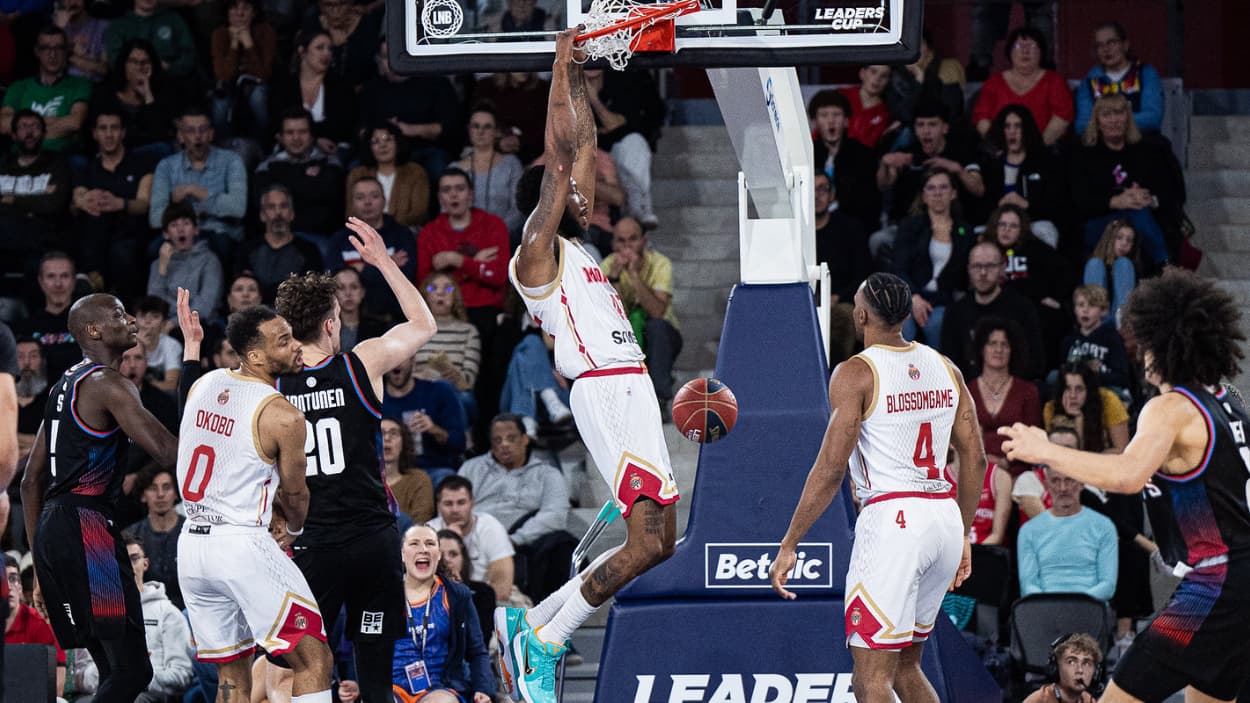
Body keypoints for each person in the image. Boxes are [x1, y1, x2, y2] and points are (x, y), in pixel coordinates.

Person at [499, 32, 681, 703]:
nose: (587, 197)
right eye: (572, 198)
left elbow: (583, 149)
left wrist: (577, 71)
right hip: (604, 390)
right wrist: (557, 69)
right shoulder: (534, 255)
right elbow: (561, 158)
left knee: (660, 542)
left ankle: (535, 620)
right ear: (541, 209)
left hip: (627, 384)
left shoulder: (580, 247)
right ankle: (544, 644)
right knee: (643, 540)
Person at [1000, 269, 1250, 702]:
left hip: (1215, 585)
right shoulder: (1228, 399)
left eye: (1144, 342)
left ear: (1162, 343)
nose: (1139, 352)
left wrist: (1045, 450)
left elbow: (1128, 476)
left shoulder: (1168, 408)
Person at [769, 272, 983, 702]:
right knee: (906, 667)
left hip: (893, 521)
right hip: (941, 515)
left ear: (861, 314)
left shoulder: (856, 374)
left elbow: (830, 469)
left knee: (870, 682)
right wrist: (962, 532)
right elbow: (975, 458)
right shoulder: (947, 368)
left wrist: (791, 541)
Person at [273, 217, 438, 703]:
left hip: (313, 549)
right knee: (374, 673)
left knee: (305, 670)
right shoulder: (360, 363)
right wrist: (383, 260)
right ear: (331, 323)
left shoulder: (270, 388)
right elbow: (424, 324)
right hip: (371, 543)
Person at [21, 293, 180, 702]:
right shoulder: (108, 383)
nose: (130, 320)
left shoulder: (62, 386)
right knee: (132, 670)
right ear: (93, 331)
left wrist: (41, 565)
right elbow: (168, 452)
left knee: (113, 668)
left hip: (55, 532)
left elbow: (30, 482)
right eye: (118, 314)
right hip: (87, 529)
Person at [175, 304, 334, 702]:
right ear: (257, 356)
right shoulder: (284, 416)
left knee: (233, 671)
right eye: (284, 341)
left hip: (192, 550)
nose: (297, 345)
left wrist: (191, 350)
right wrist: (293, 528)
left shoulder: (205, 383)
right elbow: (296, 494)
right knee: (313, 658)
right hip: (240, 545)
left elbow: (193, 419)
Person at [459, 414, 574, 603]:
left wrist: (514, 539)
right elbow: (455, 504)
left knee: (561, 545)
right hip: (479, 537)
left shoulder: (547, 473)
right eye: (497, 440)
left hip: (525, 542)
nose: (504, 444)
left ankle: (552, 612)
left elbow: (555, 515)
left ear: (525, 439)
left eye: (511, 438)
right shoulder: (471, 468)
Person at [1070, 94, 1185, 269]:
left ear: (1128, 118)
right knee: (1136, 213)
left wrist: (1150, 200)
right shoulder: (1085, 155)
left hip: (1140, 220)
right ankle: (1165, 264)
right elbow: (1080, 200)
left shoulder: (1148, 152)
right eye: (1106, 115)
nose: (1114, 120)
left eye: (1119, 113)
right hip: (1100, 223)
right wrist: (1115, 201)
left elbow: (1169, 191)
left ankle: (1164, 265)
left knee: (1139, 212)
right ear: (1097, 122)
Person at [392, 524, 494, 703]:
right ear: (402, 553)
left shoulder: (457, 595)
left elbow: (477, 651)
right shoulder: (383, 596)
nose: (423, 549)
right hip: (391, 688)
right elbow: (365, 646)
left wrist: (483, 689)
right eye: (414, 543)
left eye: (430, 544)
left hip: (440, 688)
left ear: (438, 554)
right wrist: (355, 682)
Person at [416, 166, 511, 344]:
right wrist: (474, 264)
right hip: (443, 310)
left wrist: (456, 261)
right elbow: (425, 284)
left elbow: (499, 276)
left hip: (484, 309)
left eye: (460, 188)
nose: (453, 195)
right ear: (439, 198)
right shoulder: (429, 232)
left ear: (471, 194)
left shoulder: (493, 225)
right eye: (446, 190)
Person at [600, 216, 683, 412]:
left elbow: (657, 311)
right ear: (613, 244)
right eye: (621, 240)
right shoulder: (607, 266)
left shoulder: (660, 263)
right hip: (625, 335)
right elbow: (614, 317)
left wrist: (634, 275)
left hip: (663, 334)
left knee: (656, 327)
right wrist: (615, 278)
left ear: (644, 241)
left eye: (633, 238)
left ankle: (659, 398)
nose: (627, 245)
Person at [73, 108, 156, 301]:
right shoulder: (87, 167)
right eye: (103, 128)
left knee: (122, 252)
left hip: (130, 231)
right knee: (91, 222)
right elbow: (78, 198)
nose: (109, 134)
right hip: (97, 234)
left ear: (123, 132)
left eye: (114, 128)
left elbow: (144, 203)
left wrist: (119, 203)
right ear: (94, 133)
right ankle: (92, 282)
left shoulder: (142, 163)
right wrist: (87, 200)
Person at [148, 105, 249, 264]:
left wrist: (197, 192)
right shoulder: (166, 166)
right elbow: (155, 218)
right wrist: (173, 206)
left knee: (222, 246)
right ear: (181, 136)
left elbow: (238, 208)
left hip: (220, 232)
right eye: (190, 131)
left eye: (202, 130)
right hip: (179, 234)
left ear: (211, 134)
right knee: (154, 250)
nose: (197, 136)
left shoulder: (231, 161)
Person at [891, 167, 975, 350]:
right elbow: (899, 267)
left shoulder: (965, 232)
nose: (937, 193)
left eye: (943, 187)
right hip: (910, 295)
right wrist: (913, 297)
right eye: (931, 188)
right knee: (904, 328)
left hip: (946, 300)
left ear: (953, 193)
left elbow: (964, 278)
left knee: (938, 323)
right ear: (923, 195)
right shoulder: (910, 227)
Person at [939, 240, 1044, 380]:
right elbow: (949, 364)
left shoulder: (1022, 308)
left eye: (990, 266)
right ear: (969, 269)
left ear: (1002, 268)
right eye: (977, 266)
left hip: (1012, 388)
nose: (983, 272)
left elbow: (1035, 360)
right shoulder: (955, 312)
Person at [982, 203, 1070, 371]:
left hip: (1029, 307)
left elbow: (1064, 273)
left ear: (1022, 229)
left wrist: (1053, 298)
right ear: (995, 226)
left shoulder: (1034, 249)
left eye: (1013, 226)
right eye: (1002, 225)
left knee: (1051, 316)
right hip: (993, 306)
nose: (1007, 230)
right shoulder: (984, 250)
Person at [1017, 466, 1118, 600]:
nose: (1063, 488)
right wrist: (1052, 605)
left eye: (1069, 480)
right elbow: (1028, 585)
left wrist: (1074, 604)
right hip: (1044, 609)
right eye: (1055, 481)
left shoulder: (1104, 526)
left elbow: (1108, 585)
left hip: (1089, 608)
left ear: (1082, 483)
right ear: (1047, 485)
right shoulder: (1029, 530)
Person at [325, 177, 419, 319]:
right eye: (360, 197)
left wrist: (360, 268)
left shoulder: (402, 235)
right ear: (352, 203)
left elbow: (406, 277)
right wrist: (387, 265)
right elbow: (333, 280)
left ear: (384, 200)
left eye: (374, 196)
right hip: (348, 318)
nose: (367, 202)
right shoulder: (339, 240)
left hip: (394, 315)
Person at [978, 105, 1067, 249]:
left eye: (1018, 126)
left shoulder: (1045, 163)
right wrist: (998, 208)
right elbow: (982, 207)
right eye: (1007, 126)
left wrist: (1027, 205)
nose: (1012, 132)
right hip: (999, 225)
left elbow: (1057, 207)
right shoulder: (992, 167)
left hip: (1033, 224)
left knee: (1046, 230)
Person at [972, 26, 1074, 146]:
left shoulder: (1054, 81)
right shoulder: (993, 83)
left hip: (1044, 151)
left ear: (1041, 52)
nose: (1025, 51)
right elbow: (982, 119)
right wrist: (1001, 148)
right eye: (1019, 46)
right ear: (1009, 51)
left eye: (1031, 46)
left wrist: (1037, 149)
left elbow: (1062, 117)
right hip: (1001, 152)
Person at [254, 107, 346, 238]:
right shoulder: (267, 166)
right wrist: (308, 182)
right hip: (279, 237)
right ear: (280, 137)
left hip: (321, 236)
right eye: (290, 132)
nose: (296, 138)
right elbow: (263, 208)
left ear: (312, 136)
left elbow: (331, 202)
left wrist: (286, 181)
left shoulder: (329, 162)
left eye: (302, 132)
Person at [812, 171, 873, 365]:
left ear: (832, 195)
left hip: (844, 300)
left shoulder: (850, 229)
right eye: (811, 190)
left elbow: (864, 273)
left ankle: (838, 377)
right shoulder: (797, 235)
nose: (816, 196)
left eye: (822, 189)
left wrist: (837, 297)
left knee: (842, 316)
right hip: (806, 303)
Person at [0, 24, 91, 152]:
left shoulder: (80, 85)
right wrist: (55, 124)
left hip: (62, 158)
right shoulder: (19, 87)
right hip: (20, 158)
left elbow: (74, 123)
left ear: (66, 51)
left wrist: (25, 129)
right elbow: (4, 124)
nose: (52, 54)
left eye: (58, 48)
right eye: (45, 48)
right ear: (37, 52)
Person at [967, 317, 1041, 476]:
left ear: (1013, 350)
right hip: (974, 473)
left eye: (1005, 345)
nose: (998, 350)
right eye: (992, 343)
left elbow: (1033, 441)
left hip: (1017, 473)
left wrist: (1005, 463)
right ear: (982, 348)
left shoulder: (1028, 392)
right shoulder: (966, 391)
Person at [381, 356, 467, 489]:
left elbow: (459, 443)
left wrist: (434, 429)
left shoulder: (438, 392)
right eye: (391, 358)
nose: (396, 364)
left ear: (413, 361)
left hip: (432, 470)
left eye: (401, 357)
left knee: (447, 480)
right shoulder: (373, 399)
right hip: (389, 473)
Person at [125, 536, 194, 702]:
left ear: (145, 563)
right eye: (121, 560)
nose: (129, 567)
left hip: (152, 696)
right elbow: (82, 672)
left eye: (134, 559)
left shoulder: (168, 613)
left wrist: (137, 680)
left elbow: (181, 674)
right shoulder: (103, 613)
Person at [268, 29, 356, 155]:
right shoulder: (284, 85)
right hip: (290, 148)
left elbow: (343, 125)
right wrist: (314, 140)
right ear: (302, 51)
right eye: (320, 48)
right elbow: (278, 123)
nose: (327, 53)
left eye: (330, 49)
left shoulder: (341, 85)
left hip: (332, 147)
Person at [806, 89, 881, 236]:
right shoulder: (806, 153)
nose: (830, 121)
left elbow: (869, 202)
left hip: (853, 226)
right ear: (815, 121)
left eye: (836, 115)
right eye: (824, 115)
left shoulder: (864, 155)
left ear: (846, 121)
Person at [429, 475, 515, 604]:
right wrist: (448, 538)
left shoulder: (489, 526)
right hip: (441, 600)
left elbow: (503, 584)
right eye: (448, 504)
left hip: (487, 598)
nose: (455, 510)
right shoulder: (428, 531)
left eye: (461, 502)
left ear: (472, 503)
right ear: (438, 506)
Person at [234, 183, 324, 302]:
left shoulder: (309, 251)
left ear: (292, 213)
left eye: (284, 206)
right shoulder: (246, 250)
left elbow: (312, 295)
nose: (278, 213)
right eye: (271, 207)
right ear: (262, 214)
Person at [87, 40, 176, 158]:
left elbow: (160, 133)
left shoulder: (160, 94)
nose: (139, 67)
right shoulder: (105, 93)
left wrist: (147, 95)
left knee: (162, 148)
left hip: (147, 154)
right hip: (114, 153)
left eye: (145, 62)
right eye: (133, 62)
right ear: (124, 65)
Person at [1075, 22, 1164, 135]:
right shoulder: (1090, 80)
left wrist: (1107, 122)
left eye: (1111, 42)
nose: (1106, 49)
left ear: (1125, 45)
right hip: (1103, 147)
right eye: (1100, 45)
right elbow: (1081, 126)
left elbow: (1153, 118)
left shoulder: (1146, 73)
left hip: (1142, 143)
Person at [414, 271, 481, 417]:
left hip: (456, 393)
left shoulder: (468, 332)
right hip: (420, 392)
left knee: (461, 398)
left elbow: (468, 382)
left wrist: (455, 377)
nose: (440, 293)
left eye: (448, 289)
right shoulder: (414, 331)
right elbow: (404, 375)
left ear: (455, 297)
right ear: (424, 296)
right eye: (432, 288)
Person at [209, 0, 277, 142]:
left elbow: (264, 74)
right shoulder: (219, 34)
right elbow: (223, 75)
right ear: (227, 12)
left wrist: (248, 44)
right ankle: (223, 149)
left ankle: (261, 146)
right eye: (234, 8)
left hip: (257, 85)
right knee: (220, 104)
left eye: (246, 8)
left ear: (254, 13)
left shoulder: (266, 31)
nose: (240, 13)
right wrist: (234, 44)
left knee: (258, 98)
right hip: (228, 86)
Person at [147, 203, 225, 323]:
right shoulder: (158, 264)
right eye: (174, 225)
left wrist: (173, 323)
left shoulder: (209, 260)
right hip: (163, 324)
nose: (180, 230)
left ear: (196, 230)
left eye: (186, 224)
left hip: (199, 325)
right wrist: (162, 268)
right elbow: (153, 305)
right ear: (166, 234)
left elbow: (205, 306)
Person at [455, 102, 525, 234]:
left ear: (497, 132)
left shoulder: (511, 164)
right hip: (464, 240)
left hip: (503, 237)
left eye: (487, 127)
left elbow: (517, 209)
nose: (480, 131)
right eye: (476, 126)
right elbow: (447, 213)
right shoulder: (455, 169)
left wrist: (495, 233)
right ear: (469, 130)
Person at [122, 465, 185, 609]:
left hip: (190, 616)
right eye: (152, 488)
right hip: (146, 615)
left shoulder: (191, 533)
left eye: (167, 487)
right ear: (143, 495)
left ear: (176, 493)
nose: (160, 494)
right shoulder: (130, 537)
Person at [346, 122, 430, 230]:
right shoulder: (357, 174)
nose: (382, 145)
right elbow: (350, 212)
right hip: (367, 231)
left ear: (398, 143)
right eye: (375, 141)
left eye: (388, 139)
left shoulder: (415, 172)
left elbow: (419, 212)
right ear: (369, 147)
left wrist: (387, 226)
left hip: (406, 230)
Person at [5, 554, 67, 696]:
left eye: (13, 579)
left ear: (20, 587)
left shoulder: (41, 623)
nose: (9, 587)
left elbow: (58, 683)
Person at [16, 251, 82, 380]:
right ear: (41, 281)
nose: (58, 284)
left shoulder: (88, 325)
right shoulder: (23, 329)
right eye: (51, 276)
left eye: (64, 276)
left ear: (74, 281)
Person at [1059, 285, 1132, 394]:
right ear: (1074, 309)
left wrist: (1093, 375)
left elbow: (1122, 377)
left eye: (1092, 305)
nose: (1085, 310)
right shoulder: (1069, 341)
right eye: (1081, 305)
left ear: (1103, 311)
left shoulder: (1112, 339)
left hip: (1103, 389)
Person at [1044, 363, 1130, 454]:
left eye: (1079, 389)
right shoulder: (1050, 408)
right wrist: (1079, 420)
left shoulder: (1108, 401)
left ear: (1089, 390)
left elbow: (1122, 451)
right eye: (1067, 388)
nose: (1073, 395)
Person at [1083, 219, 1142, 327]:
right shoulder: (1094, 265)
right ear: (1109, 239)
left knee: (1124, 264)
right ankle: (1095, 319)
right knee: (1095, 263)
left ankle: (1121, 320)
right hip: (1095, 321)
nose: (1124, 243)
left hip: (1120, 324)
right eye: (1119, 238)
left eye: (1129, 240)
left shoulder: (1133, 269)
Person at [381, 416, 436, 523]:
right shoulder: (361, 480)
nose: (387, 438)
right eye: (381, 433)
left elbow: (421, 522)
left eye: (394, 433)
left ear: (403, 443)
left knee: (403, 520)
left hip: (408, 537)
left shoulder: (418, 479)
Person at [1021, 633, 1102, 703]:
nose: (1080, 670)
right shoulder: (1039, 700)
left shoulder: (1089, 700)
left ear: (1095, 673)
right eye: (1071, 662)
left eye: (1087, 663)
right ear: (1056, 667)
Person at [838, 65, 897, 150]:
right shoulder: (841, 95)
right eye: (873, 72)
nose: (877, 79)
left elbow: (870, 144)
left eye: (884, 76)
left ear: (889, 81)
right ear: (862, 73)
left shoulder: (885, 113)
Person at [333, 266, 387, 351]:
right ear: (334, 294)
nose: (348, 293)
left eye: (354, 287)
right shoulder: (325, 331)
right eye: (341, 288)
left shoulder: (379, 329)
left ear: (362, 292)